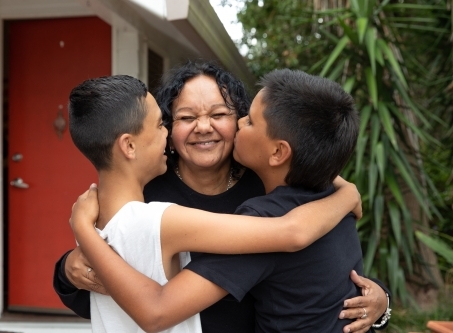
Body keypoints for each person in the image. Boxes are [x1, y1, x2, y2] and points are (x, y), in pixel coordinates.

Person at [54, 62, 390, 333]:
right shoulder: (146, 195)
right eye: (185, 118)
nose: (203, 127)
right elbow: (112, 300)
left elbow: (323, 268)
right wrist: (68, 271)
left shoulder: (267, 190)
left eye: (220, 115)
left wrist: (381, 302)